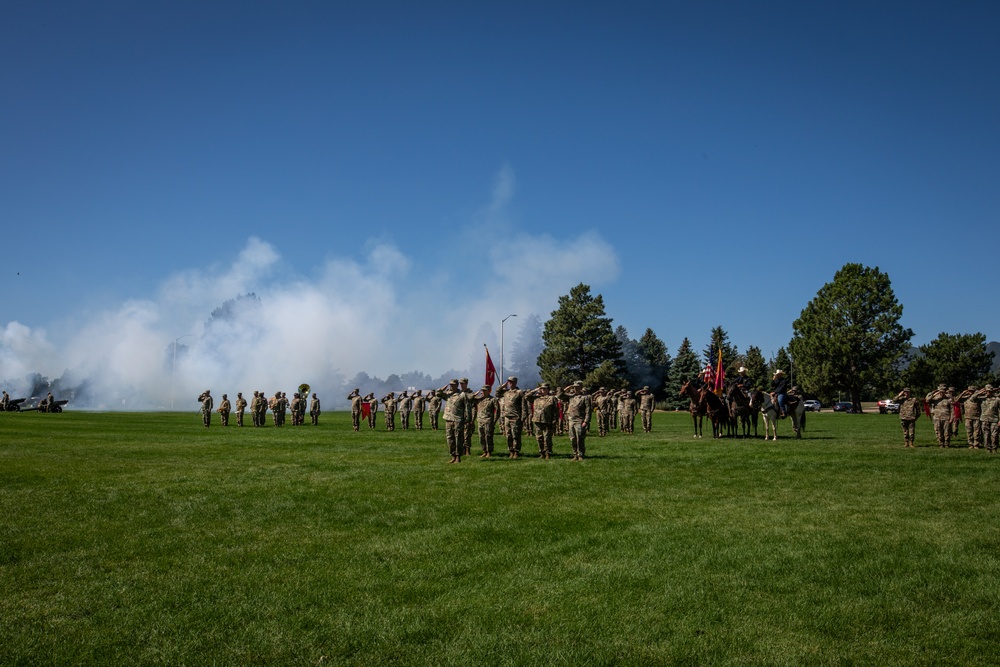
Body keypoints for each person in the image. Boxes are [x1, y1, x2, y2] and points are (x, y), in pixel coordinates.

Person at [436, 379, 470, 463]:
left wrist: (468, 419)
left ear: (457, 385)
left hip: (458, 419)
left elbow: (467, 407)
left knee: (458, 438)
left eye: (453, 385)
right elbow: (438, 393)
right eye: (450, 384)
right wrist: (444, 387)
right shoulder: (448, 394)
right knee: (449, 439)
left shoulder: (462, 395)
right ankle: (453, 455)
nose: (451, 386)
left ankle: (458, 456)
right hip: (448, 419)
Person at [496, 376, 527, 458]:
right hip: (507, 417)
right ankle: (511, 451)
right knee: (508, 435)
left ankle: (516, 451)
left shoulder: (519, 392)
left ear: (515, 382)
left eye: (512, 382)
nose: (510, 383)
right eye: (509, 382)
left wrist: (523, 416)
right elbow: (497, 393)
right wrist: (502, 386)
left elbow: (524, 405)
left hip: (516, 416)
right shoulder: (506, 392)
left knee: (516, 435)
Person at [562, 381, 592, 460]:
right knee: (572, 438)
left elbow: (588, 410)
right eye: (574, 387)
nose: (575, 389)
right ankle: (575, 453)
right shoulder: (571, 396)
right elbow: (559, 395)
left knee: (580, 438)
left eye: (577, 387)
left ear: (581, 387)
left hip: (580, 420)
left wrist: (586, 421)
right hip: (571, 419)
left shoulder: (585, 397)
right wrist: (568, 388)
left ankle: (581, 454)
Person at [528, 383, 559, 459]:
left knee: (547, 438)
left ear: (548, 390)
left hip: (547, 420)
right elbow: (527, 396)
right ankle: (541, 452)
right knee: (539, 438)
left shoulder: (552, 398)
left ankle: (548, 453)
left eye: (544, 389)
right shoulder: (536, 398)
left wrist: (555, 420)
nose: (543, 390)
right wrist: (535, 390)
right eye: (541, 389)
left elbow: (556, 410)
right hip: (537, 420)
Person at [473, 385, 500, 458]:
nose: (483, 392)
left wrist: (494, 421)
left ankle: (489, 452)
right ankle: (484, 451)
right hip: (480, 420)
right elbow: (470, 399)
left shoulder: (492, 400)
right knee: (481, 437)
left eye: (485, 390)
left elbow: (497, 411)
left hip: (488, 420)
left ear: (489, 391)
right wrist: (474, 395)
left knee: (488, 436)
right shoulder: (479, 399)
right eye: (482, 390)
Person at [975, 385, 999, 453]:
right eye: (987, 391)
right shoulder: (982, 398)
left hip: (994, 419)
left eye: (990, 391)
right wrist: (978, 393)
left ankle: (994, 448)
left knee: (994, 435)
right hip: (984, 419)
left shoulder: (997, 399)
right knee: (986, 435)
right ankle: (988, 448)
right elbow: (972, 399)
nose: (988, 393)